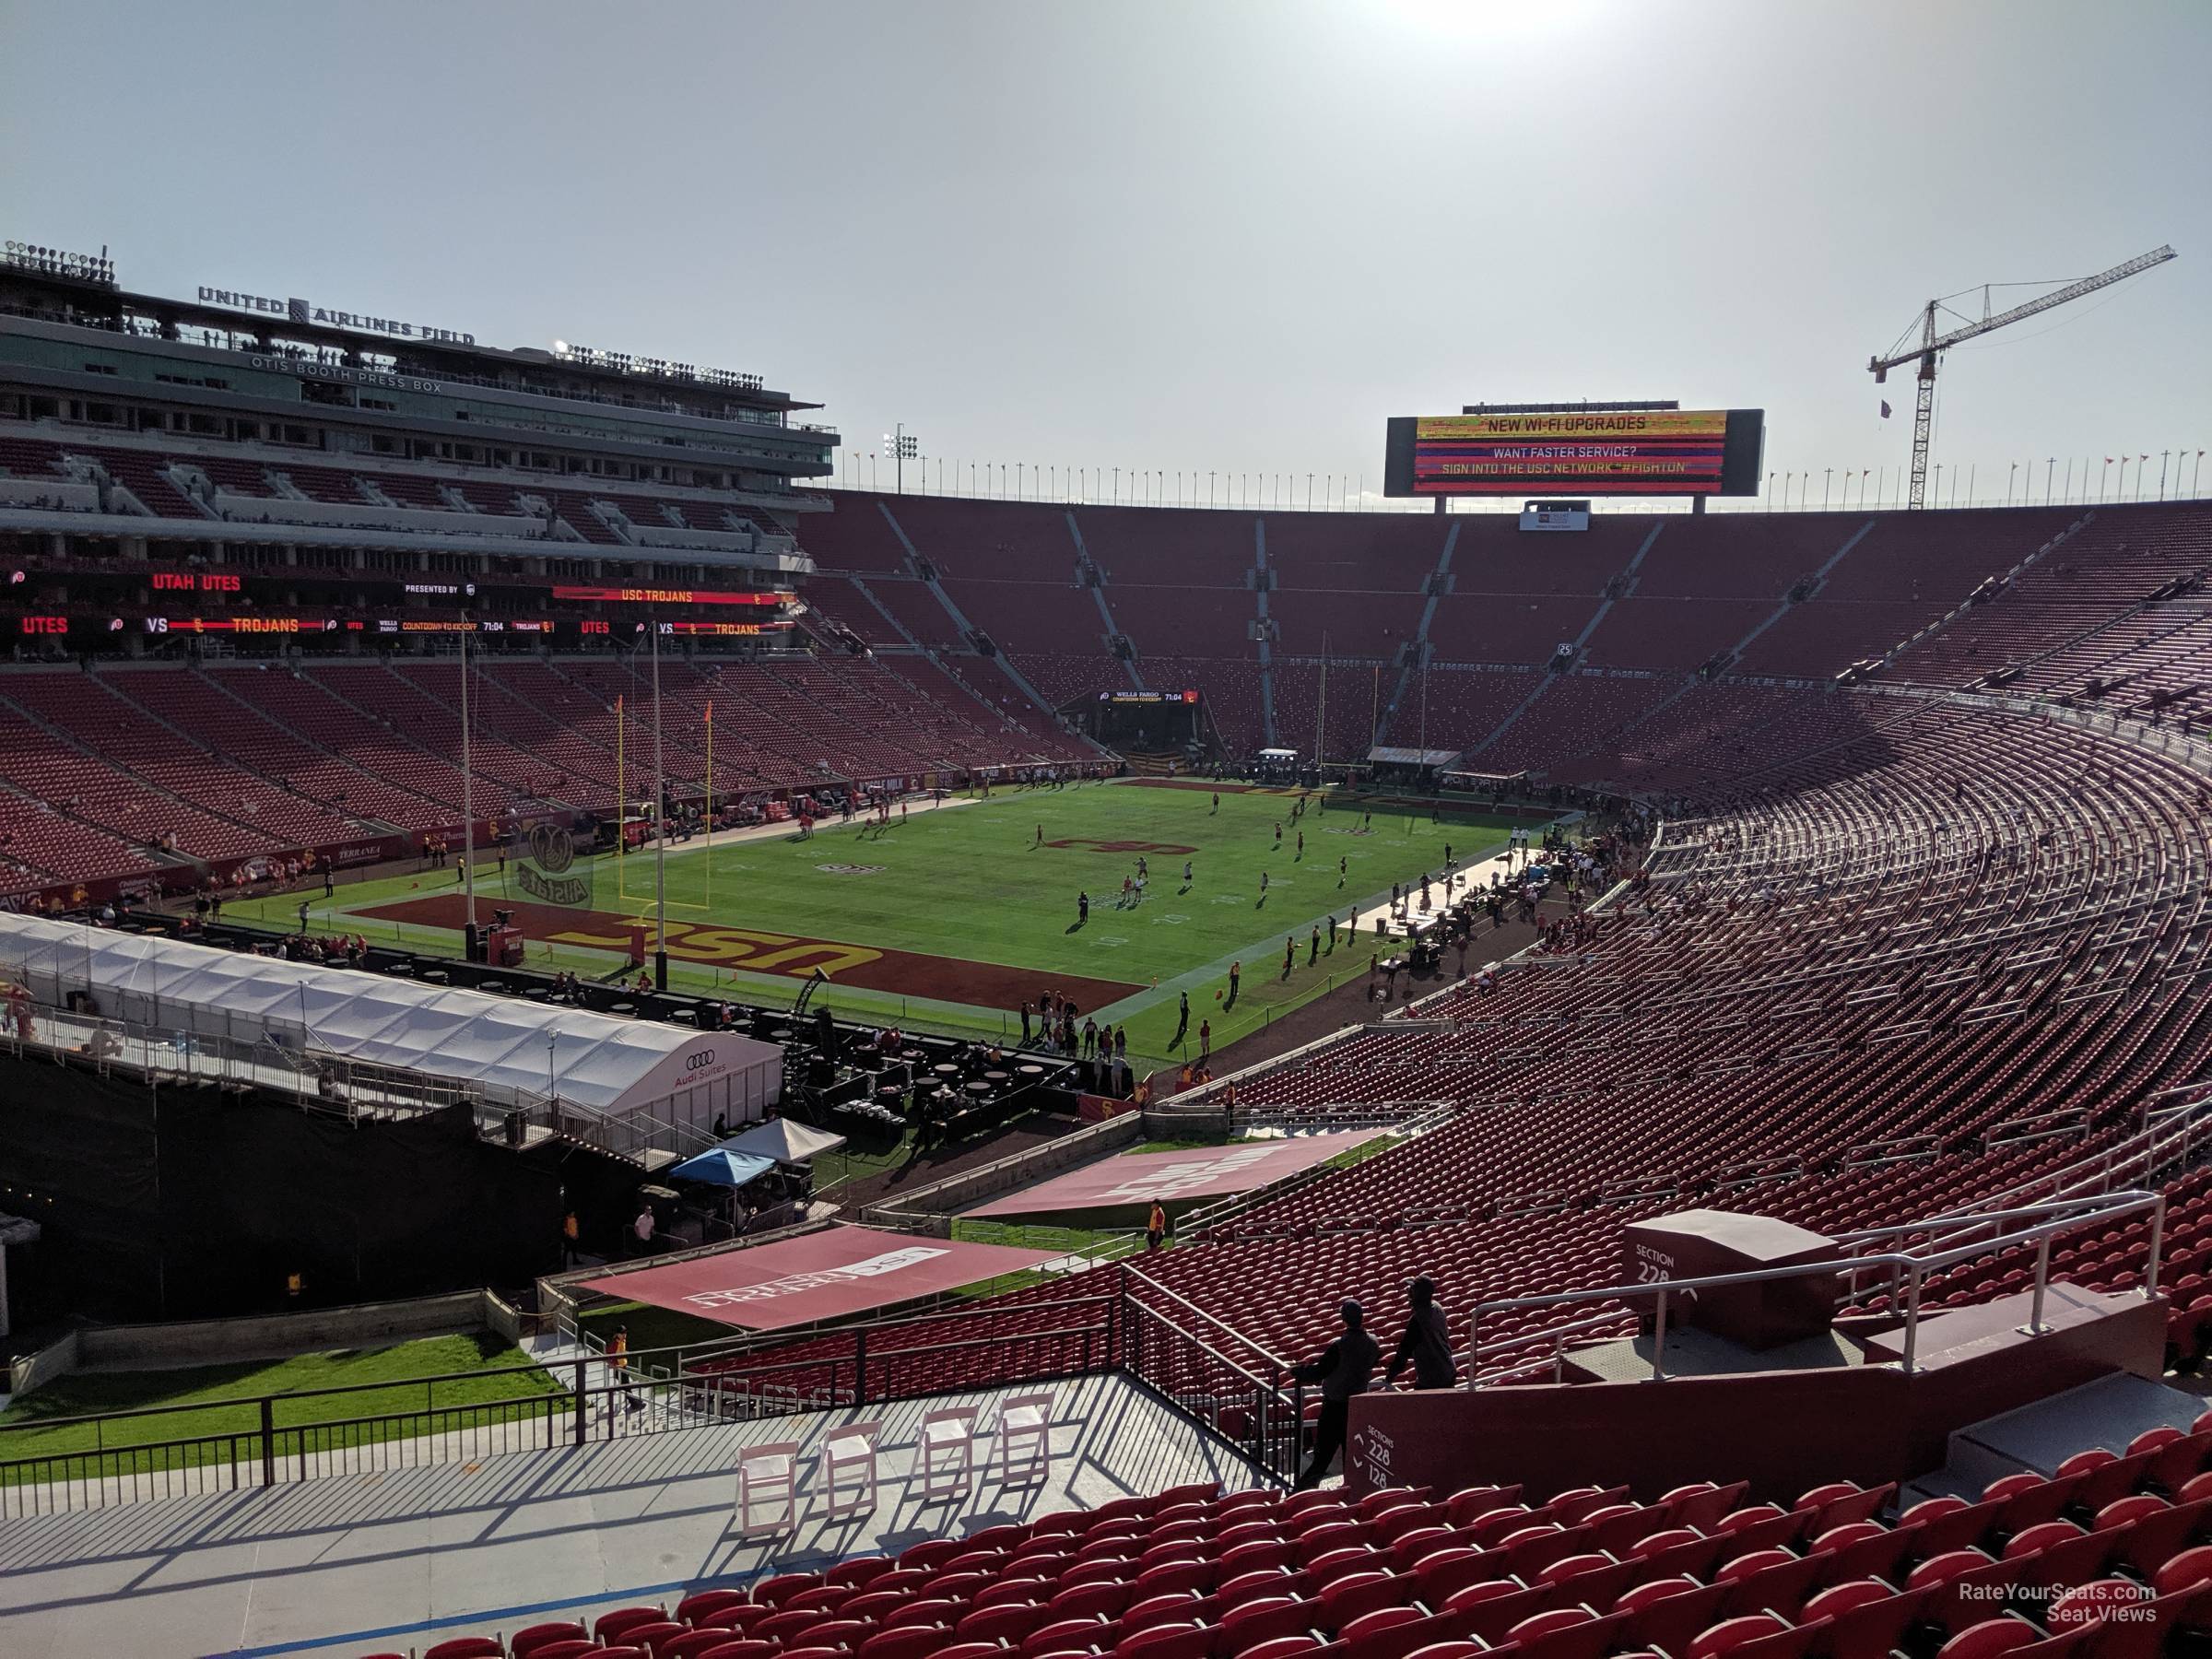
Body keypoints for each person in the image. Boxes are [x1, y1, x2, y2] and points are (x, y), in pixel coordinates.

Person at [1288, 1299, 1381, 1489]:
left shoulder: (1339, 1346)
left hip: (1335, 1406)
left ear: (1343, 1319)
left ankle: (1302, 1492)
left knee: (1323, 1454)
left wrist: (1298, 1371)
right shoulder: (1373, 1343)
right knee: (1351, 1452)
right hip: (1357, 1405)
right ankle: (1351, 1491)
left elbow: (1320, 1371)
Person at [1384, 1276, 1456, 1391]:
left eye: (1413, 1289)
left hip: (1433, 1378)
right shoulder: (1437, 1307)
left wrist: (1389, 1377)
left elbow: (1404, 1351)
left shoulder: (1418, 1320)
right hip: (1448, 1370)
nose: (1409, 1292)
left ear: (1418, 1293)